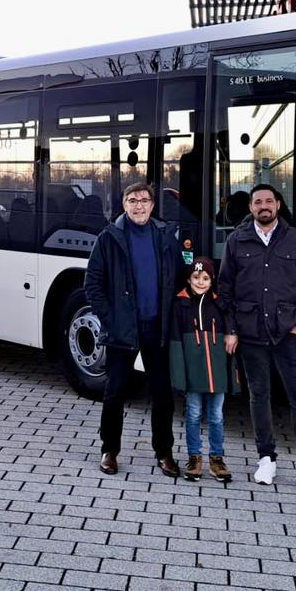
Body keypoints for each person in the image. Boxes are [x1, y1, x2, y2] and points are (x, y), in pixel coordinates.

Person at [216, 183, 296, 496]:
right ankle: (266, 459)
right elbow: (224, 288)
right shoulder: (236, 241)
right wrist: (232, 328)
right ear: (251, 208)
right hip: (251, 334)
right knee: (259, 396)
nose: (263, 206)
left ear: (278, 205)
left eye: (269, 201)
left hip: (287, 335)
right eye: (257, 202)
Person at [84, 180, 181, 478]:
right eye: (132, 200)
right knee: (115, 391)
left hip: (157, 328)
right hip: (123, 329)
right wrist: (110, 320)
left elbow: (177, 278)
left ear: (152, 205)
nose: (139, 205)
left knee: (162, 393)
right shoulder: (109, 238)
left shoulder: (165, 236)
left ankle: (164, 452)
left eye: (144, 200)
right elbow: (93, 285)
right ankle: (109, 450)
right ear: (124, 204)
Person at [169, 256, 236, 483]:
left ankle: (217, 458)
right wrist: (179, 376)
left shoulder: (219, 304)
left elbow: (231, 332)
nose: (201, 282)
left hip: (216, 371)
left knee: (216, 416)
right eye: (196, 277)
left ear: (212, 279)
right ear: (189, 279)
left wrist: (232, 333)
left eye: (205, 278)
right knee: (194, 414)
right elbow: (176, 342)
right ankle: (194, 457)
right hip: (193, 372)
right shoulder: (180, 304)